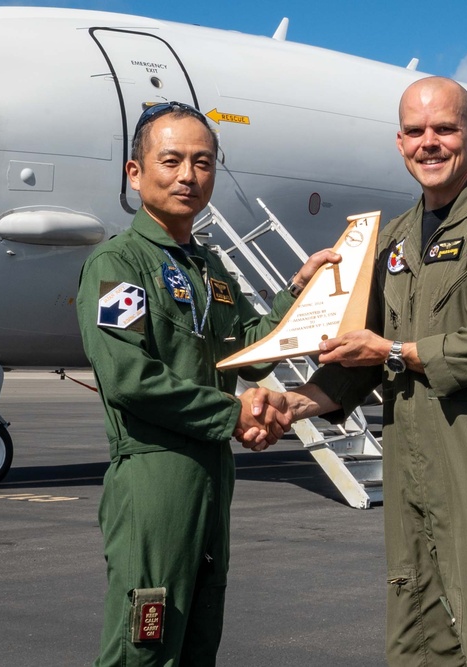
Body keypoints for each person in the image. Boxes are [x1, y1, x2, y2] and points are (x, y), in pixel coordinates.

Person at [252, 76, 467, 665]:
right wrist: (292, 406)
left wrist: (395, 353)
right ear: (399, 142)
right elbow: (354, 357)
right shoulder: (389, 239)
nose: (430, 143)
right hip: (412, 458)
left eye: (444, 129)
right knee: (418, 618)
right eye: (416, 131)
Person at [76, 101, 338, 666]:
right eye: (171, 160)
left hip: (214, 472)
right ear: (135, 172)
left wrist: (298, 288)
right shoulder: (118, 264)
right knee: (145, 642)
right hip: (155, 475)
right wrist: (235, 415)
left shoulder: (210, 269)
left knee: (199, 635)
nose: (188, 176)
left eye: (203, 162)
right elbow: (129, 378)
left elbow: (250, 351)